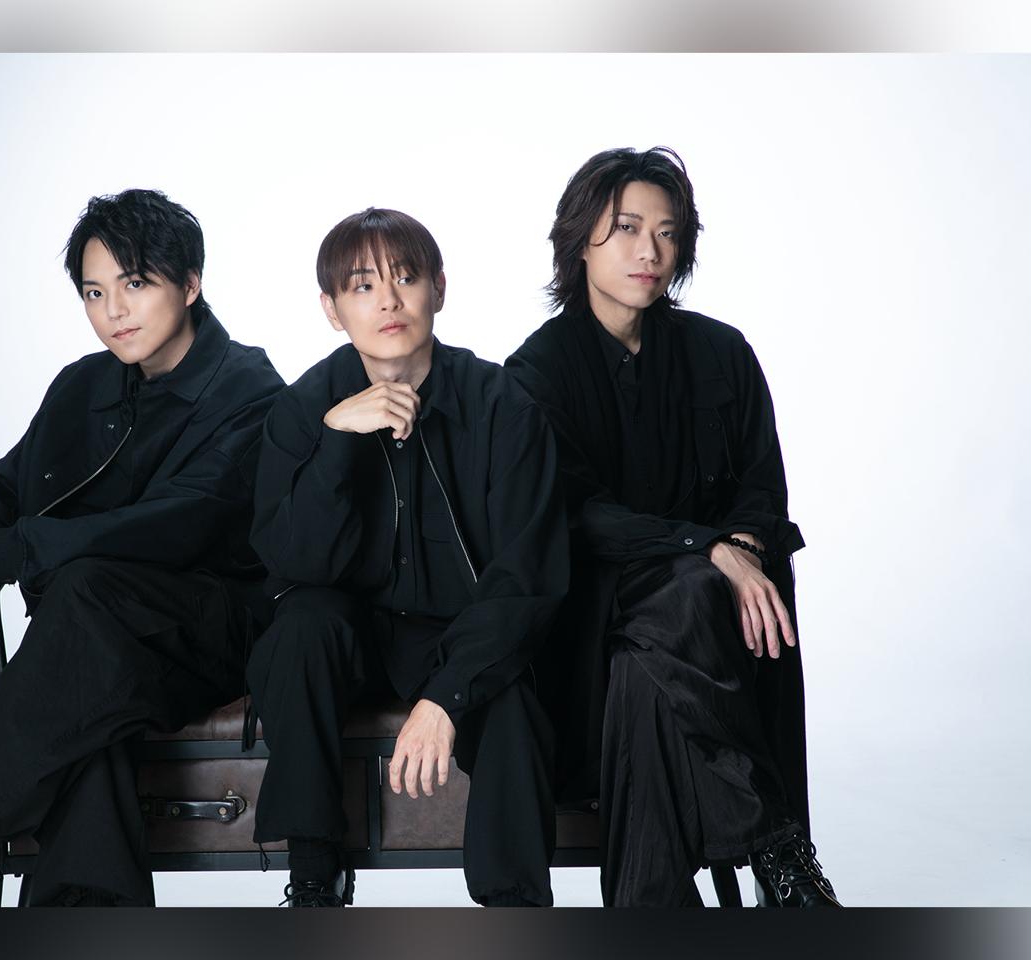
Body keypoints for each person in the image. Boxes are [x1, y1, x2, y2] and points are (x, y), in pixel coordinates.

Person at [0, 189, 284, 907]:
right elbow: (12, 490)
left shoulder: (250, 390)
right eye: (94, 293)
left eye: (135, 284)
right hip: (92, 642)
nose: (114, 311)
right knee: (89, 709)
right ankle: (79, 922)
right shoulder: (82, 385)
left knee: (88, 594)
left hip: (210, 634)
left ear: (190, 284)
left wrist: (5, 555)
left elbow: (177, 525)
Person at [505, 147, 841, 908]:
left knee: (653, 666)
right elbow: (574, 516)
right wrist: (705, 548)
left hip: (707, 630)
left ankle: (650, 916)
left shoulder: (721, 353)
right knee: (682, 598)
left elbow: (761, 487)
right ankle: (777, 844)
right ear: (579, 238)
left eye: (667, 232)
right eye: (626, 228)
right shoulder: (535, 372)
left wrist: (740, 550)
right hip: (591, 622)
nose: (649, 251)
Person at [247, 208, 568, 907]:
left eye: (406, 277)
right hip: (348, 637)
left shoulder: (501, 405)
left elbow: (525, 577)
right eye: (362, 286)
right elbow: (291, 563)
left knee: (509, 695)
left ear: (439, 289)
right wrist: (338, 440)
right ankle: (314, 878)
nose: (388, 301)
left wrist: (446, 695)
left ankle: (515, 910)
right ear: (332, 309)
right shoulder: (304, 409)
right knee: (299, 628)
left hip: (458, 633)